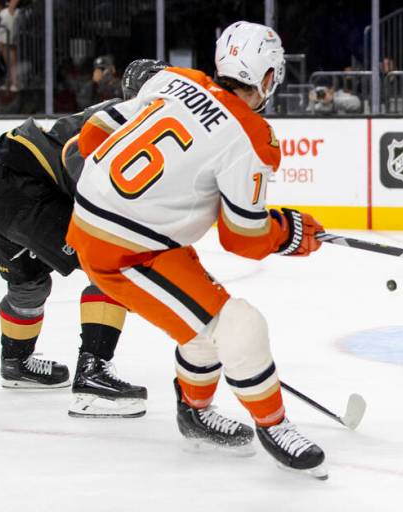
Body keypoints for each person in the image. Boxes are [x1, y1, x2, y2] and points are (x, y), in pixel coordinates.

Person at [65, 21, 328, 479]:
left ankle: (194, 411)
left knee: (204, 321)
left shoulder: (175, 80)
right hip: (125, 251)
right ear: (268, 77)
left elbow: (92, 134)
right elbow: (242, 238)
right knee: (239, 324)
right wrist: (287, 232)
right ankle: (273, 424)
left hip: (122, 231)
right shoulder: (253, 137)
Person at [0, 59, 167, 418]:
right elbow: (79, 161)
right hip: (26, 188)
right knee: (111, 264)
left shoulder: (119, 114)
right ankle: (92, 377)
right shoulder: (132, 123)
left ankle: (16, 362)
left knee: (28, 282)